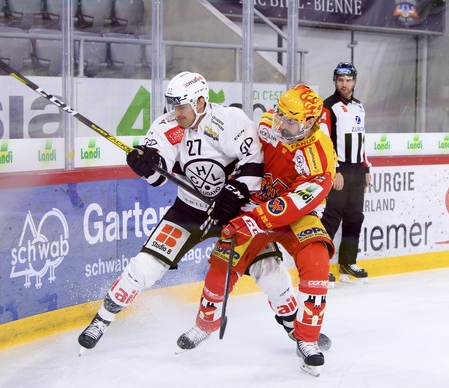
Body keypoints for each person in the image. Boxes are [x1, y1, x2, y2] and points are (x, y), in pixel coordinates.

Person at [77, 71, 299, 352]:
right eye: (173, 106)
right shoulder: (167, 126)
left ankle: (296, 328)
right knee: (144, 266)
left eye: (181, 106)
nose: (176, 112)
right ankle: (102, 320)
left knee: (270, 269)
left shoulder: (231, 121)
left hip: (236, 211)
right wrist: (146, 165)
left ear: (201, 102)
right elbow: (158, 175)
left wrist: (236, 193)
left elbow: (254, 163)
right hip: (189, 210)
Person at [176, 85, 336, 377]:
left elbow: (298, 201)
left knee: (317, 259)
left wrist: (255, 220)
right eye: (279, 114)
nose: (279, 123)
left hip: (297, 214)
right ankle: (205, 324)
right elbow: (243, 155)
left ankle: (307, 339)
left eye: (290, 120)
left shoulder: (321, 154)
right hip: (258, 202)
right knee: (223, 258)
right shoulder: (270, 123)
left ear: (310, 122)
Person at [319, 62, 371, 287]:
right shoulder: (328, 106)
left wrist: (366, 167)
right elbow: (324, 141)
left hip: (357, 170)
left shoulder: (359, 106)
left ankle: (348, 263)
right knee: (331, 218)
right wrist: (336, 169)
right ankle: (319, 267)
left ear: (354, 82)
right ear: (335, 82)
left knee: (354, 217)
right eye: (340, 80)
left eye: (348, 80)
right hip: (339, 170)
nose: (344, 84)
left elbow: (362, 140)